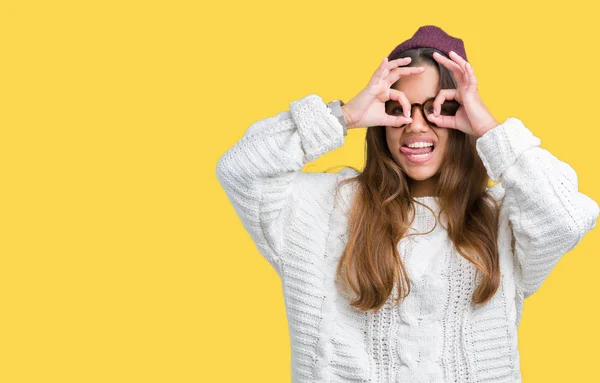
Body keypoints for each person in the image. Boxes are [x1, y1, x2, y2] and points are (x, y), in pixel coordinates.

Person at [215, 25, 599, 383]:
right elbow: (241, 170)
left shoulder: (503, 217)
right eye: (399, 109)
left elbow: (566, 217)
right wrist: (343, 116)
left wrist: (489, 128)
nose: (416, 125)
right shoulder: (321, 210)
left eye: (440, 110)